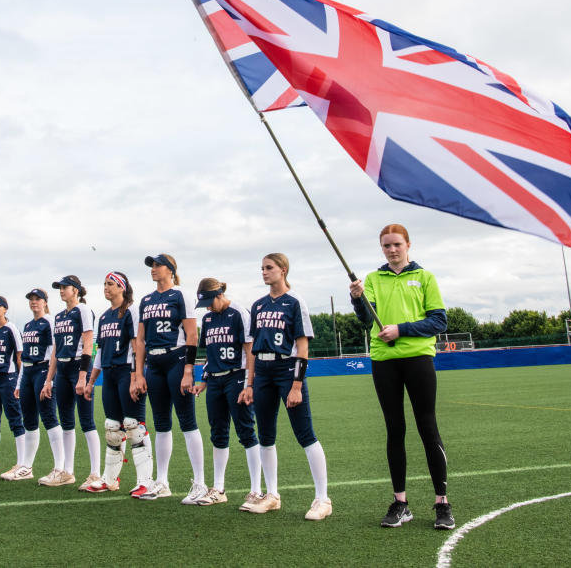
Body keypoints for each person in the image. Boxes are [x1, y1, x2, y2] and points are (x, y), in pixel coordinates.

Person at [349, 223, 453, 530]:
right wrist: (357, 299)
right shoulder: (372, 279)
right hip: (384, 360)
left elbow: (438, 321)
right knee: (395, 429)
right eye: (386, 246)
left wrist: (402, 329)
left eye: (397, 244)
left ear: (408, 245)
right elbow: (366, 319)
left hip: (418, 358)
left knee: (427, 427)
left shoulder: (424, 277)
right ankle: (401, 502)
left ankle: (442, 503)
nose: (392, 250)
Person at [244, 253, 331, 520]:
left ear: (283, 270)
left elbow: (303, 346)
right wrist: (250, 383)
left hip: (286, 368)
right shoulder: (257, 305)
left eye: (269, 268)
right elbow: (253, 349)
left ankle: (322, 498)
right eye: (262, 268)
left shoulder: (295, 302)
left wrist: (296, 384)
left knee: (305, 433)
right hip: (263, 372)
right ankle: (272, 495)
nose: (264, 272)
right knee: (266, 435)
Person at [131, 253, 206, 503]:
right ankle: (162, 481)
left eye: (158, 265)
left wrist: (188, 370)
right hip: (154, 363)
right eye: (152, 265)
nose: (153, 269)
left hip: (176, 359)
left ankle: (199, 483)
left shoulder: (180, 294)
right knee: (161, 423)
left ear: (171, 270)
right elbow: (140, 340)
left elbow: (192, 334)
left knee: (187, 421)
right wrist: (138, 373)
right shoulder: (146, 299)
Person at [188, 278, 262, 507]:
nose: (208, 307)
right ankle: (218, 489)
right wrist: (204, 380)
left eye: (210, 301)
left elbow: (250, 350)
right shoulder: (208, 318)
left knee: (246, 431)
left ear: (220, 294)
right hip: (216, 381)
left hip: (237, 376)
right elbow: (210, 354)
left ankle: (256, 491)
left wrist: (249, 384)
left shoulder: (239, 312)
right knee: (218, 433)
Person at [83, 271, 154, 496]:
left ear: (122, 287)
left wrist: (136, 376)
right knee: (112, 429)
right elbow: (100, 352)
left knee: (135, 426)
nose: (106, 287)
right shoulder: (104, 317)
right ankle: (110, 479)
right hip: (110, 375)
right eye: (104, 283)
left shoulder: (132, 311)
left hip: (127, 372)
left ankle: (145, 482)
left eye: (110, 284)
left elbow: (137, 345)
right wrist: (91, 380)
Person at [45, 275, 100, 489]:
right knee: (67, 422)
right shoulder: (58, 316)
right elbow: (55, 352)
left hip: (78, 366)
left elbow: (88, 344)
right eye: (59, 287)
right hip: (62, 368)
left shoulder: (83, 310)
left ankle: (95, 473)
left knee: (86, 421)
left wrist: (83, 376)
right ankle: (68, 471)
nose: (61, 290)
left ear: (76, 290)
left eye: (65, 287)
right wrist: (48, 380)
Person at [17, 289, 67, 486]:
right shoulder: (28, 325)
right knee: (28, 419)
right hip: (28, 372)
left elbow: (53, 350)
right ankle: (26, 466)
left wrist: (50, 379)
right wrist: (20, 380)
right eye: (31, 299)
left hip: (42, 370)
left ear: (45, 302)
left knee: (48, 416)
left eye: (37, 299)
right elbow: (24, 356)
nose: (34, 302)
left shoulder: (49, 322)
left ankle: (59, 466)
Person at [0, 296, 26, 478]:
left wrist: (19, 380)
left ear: (5, 309)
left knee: (14, 418)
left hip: (8, 377)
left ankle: (22, 462)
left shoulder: (11, 329)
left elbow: (19, 355)